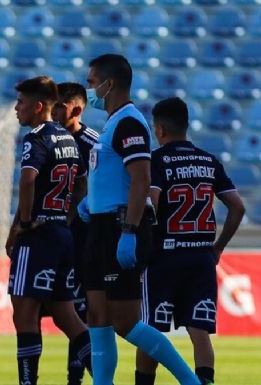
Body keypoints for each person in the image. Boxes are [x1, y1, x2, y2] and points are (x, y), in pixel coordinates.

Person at [78, 54, 201, 385]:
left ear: (109, 83)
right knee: (97, 317)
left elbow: (141, 179)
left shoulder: (130, 122)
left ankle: (191, 381)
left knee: (125, 321)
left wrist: (129, 231)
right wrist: (92, 200)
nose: (89, 89)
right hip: (102, 226)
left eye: (91, 82)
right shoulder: (112, 123)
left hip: (120, 225)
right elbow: (117, 175)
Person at [135, 97, 245, 385]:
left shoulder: (157, 160)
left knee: (151, 331)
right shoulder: (208, 160)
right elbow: (237, 206)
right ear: (186, 126)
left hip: (164, 258)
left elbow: (152, 206)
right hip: (201, 258)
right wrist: (218, 247)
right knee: (199, 333)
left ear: (159, 129)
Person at [5, 77, 93, 385]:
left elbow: (28, 180)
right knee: (67, 316)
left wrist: (25, 223)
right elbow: (81, 182)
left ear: (38, 106)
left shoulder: (36, 137)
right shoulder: (68, 138)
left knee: (24, 314)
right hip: (62, 235)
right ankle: (104, 376)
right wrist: (65, 217)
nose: (17, 109)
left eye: (21, 103)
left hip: (38, 237)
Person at [51, 82, 99, 385]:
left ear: (77, 109)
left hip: (85, 239)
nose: (53, 111)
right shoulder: (46, 139)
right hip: (53, 237)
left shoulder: (94, 143)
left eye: (60, 106)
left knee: (81, 311)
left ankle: (76, 377)